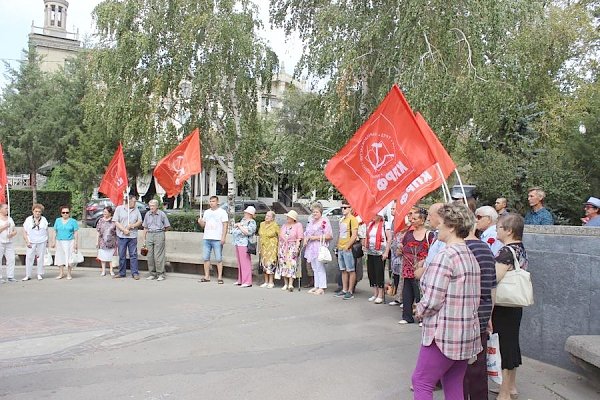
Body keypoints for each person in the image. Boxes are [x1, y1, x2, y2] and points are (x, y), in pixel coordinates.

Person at [412, 203, 481, 400]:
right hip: (466, 333)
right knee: (453, 382)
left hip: (443, 334)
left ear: (451, 226)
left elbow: (433, 300)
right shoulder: (469, 254)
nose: (436, 227)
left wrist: (420, 309)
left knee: (421, 381)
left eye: (440, 223)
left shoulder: (446, 256)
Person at [492, 213, 528, 400]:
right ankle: (511, 386)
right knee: (512, 343)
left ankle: (504, 392)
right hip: (515, 304)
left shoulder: (506, 251)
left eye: (499, 227)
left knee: (504, 346)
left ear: (509, 231)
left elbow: (494, 278)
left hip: (503, 304)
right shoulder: (520, 248)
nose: (496, 230)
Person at [463, 215, 497, 399]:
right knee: (477, 368)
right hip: (482, 314)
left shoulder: (457, 249)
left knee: (458, 370)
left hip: (460, 317)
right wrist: (489, 315)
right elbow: (491, 286)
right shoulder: (485, 248)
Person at [400, 207, 434, 324]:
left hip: (421, 268)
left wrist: (424, 261)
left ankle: (421, 316)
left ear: (422, 220)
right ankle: (406, 316)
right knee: (407, 292)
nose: (412, 220)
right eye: (411, 218)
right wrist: (400, 251)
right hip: (407, 267)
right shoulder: (408, 233)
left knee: (420, 292)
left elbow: (432, 251)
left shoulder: (429, 235)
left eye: (415, 218)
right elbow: (402, 247)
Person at [303, 202, 333, 295]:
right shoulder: (311, 221)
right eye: (313, 212)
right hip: (311, 246)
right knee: (314, 267)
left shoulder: (324, 221)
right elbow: (307, 233)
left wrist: (315, 238)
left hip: (319, 246)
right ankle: (316, 285)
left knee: (320, 267)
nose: (314, 213)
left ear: (320, 212)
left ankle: (322, 287)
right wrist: (306, 239)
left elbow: (329, 235)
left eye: (316, 212)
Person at [198, 196, 228, 284]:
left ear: (217, 202)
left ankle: (219, 277)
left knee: (219, 258)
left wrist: (223, 237)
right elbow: (203, 225)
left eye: (213, 201)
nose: (211, 203)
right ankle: (207, 276)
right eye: (210, 201)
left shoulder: (222, 212)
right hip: (207, 237)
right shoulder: (207, 212)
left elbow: (225, 225)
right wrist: (200, 222)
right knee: (206, 258)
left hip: (217, 238)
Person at [363, 210, 391, 304]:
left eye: (375, 214)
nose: (373, 216)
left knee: (379, 273)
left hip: (380, 252)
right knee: (372, 273)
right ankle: (375, 293)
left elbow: (389, 239)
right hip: (371, 251)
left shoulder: (385, 225)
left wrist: (386, 252)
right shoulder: (370, 224)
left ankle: (380, 294)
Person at [113, 195, 143, 280]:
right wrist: (124, 230)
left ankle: (135, 273)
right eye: (134, 201)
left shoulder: (136, 209)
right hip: (122, 236)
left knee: (133, 255)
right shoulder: (119, 209)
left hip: (132, 236)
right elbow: (116, 221)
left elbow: (140, 221)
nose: (135, 203)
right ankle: (122, 272)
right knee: (122, 254)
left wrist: (133, 226)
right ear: (129, 201)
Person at [333, 201, 359, 300]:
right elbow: (340, 233)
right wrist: (338, 245)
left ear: (350, 208)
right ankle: (344, 289)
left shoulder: (353, 219)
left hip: (348, 248)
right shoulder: (342, 220)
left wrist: (348, 246)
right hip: (341, 247)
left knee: (351, 270)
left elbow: (354, 235)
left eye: (345, 208)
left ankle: (350, 291)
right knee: (343, 270)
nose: (343, 209)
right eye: (342, 208)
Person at [141, 199, 171, 281]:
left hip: (159, 234)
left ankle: (160, 274)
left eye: (153, 206)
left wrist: (161, 232)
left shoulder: (162, 214)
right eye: (150, 206)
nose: (151, 207)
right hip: (149, 234)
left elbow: (167, 226)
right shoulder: (147, 214)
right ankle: (152, 273)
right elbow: (145, 227)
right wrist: (144, 239)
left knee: (158, 256)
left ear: (157, 206)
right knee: (150, 255)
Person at [277, 210, 304, 291]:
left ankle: (290, 284)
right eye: (287, 217)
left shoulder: (298, 225)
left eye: (289, 217)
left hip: (292, 246)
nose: (287, 218)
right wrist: (279, 247)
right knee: (283, 264)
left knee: (291, 264)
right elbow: (280, 237)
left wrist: (297, 247)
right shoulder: (284, 225)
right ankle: (285, 283)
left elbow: (299, 238)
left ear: (293, 218)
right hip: (283, 247)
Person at [50, 205, 79, 280]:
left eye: (67, 212)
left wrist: (75, 243)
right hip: (59, 241)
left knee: (69, 257)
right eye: (63, 212)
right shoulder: (58, 220)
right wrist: (53, 241)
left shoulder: (73, 221)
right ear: (61, 213)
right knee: (60, 257)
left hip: (69, 241)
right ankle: (61, 273)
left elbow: (76, 232)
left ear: (69, 213)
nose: (65, 214)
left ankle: (69, 273)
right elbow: (55, 231)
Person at [232, 206, 257, 287]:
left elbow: (248, 232)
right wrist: (239, 226)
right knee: (240, 262)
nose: (245, 214)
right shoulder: (243, 220)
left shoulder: (252, 222)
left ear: (250, 214)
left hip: (245, 243)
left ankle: (247, 281)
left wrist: (239, 226)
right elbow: (235, 229)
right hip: (238, 242)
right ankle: (241, 280)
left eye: (246, 213)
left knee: (245, 262)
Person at [22, 203, 49, 281]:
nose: (37, 213)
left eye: (39, 212)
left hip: (42, 240)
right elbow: (24, 231)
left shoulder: (44, 219)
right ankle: (28, 274)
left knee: (40, 258)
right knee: (29, 257)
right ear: (33, 211)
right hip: (31, 241)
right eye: (36, 211)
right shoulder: (28, 219)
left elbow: (46, 231)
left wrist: (48, 242)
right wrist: (27, 241)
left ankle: (39, 273)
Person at [258, 211, 279, 288]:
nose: (267, 217)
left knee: (271, 263)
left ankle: (271, 281)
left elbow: (279, 235)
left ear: (273, 218)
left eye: (269, 216)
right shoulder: (262, 224)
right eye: (266, 215)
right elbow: (260, 234)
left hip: (271, 246)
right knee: (264, 263)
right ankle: (266, 281)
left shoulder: (275, 225)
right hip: (264, 246)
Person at [96, 206, 117, 277]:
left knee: (111, 257)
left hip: (112, 241)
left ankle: (111, 270)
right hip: (102, 241)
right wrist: (97, 241)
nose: (104, 213)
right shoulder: (100, 220)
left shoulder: (114, 221)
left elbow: (117, 231)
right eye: (103, 212)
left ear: (110, 213)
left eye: (106, 212)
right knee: (103, 256)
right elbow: (98, 231)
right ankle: (103, 270)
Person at [0, 204, 17, 282]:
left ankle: (10, 276)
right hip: (0, 242)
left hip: (9, 242)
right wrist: (4, 227)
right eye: (6, 208)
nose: (7, 210)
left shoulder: (10, 219)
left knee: (11, 259)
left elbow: (14, 230)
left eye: (8, 208)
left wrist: (12, 234)